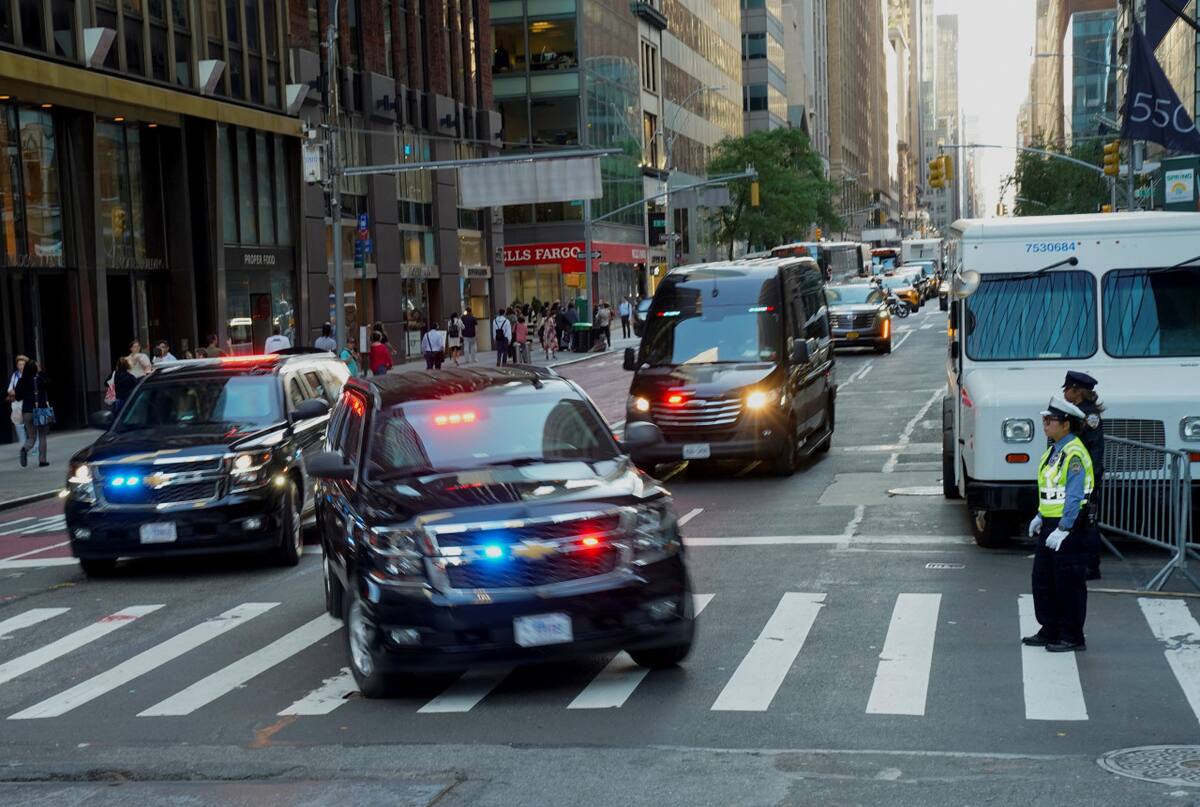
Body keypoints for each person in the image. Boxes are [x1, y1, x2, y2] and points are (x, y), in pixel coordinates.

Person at [1022, 395, 1095, 654]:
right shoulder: (1055, 450)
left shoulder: (1073, 452)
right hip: (1051, 523)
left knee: (1068, 581)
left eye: (1050, 420)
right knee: (1043, 579)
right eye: (1044, 419)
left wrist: (1064, 528)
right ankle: (1050, 628)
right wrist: (1041, 516)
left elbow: (1074, 494)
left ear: (1066, 424)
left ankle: (1072, 634)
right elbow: (1052, 489)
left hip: (1069, 526)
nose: (1045, 424)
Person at [1062, 370, 1105, 580]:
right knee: (1078, 519)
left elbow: (1094, 448)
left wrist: (1092, 477)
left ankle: (1091, 566)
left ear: (1077, 391)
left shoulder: (1089, 416)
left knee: (1088, 521)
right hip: (1077, 474)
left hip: (1086, 476)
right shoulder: (1076, 412)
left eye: (1067, 389)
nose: (1064, 392)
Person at [14, 359, 51, 468]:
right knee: (42, 436)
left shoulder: (21, 381)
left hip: (27, 411)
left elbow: (18, 397)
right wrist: (40, 372)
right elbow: (49, 384)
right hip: (40, 410)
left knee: (31, 436)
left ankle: (24, 449)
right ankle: (42, 460)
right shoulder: (40, 380)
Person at [7, 354, 28, 448]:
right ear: (17, 365)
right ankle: (23, 446)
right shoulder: (15, 375)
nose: (21, 366)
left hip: (28, 402)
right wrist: (11, 391)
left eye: (23, 364)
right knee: (18, 424)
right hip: (17, 403)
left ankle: (34, 446)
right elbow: (10, 388)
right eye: (19, 364)